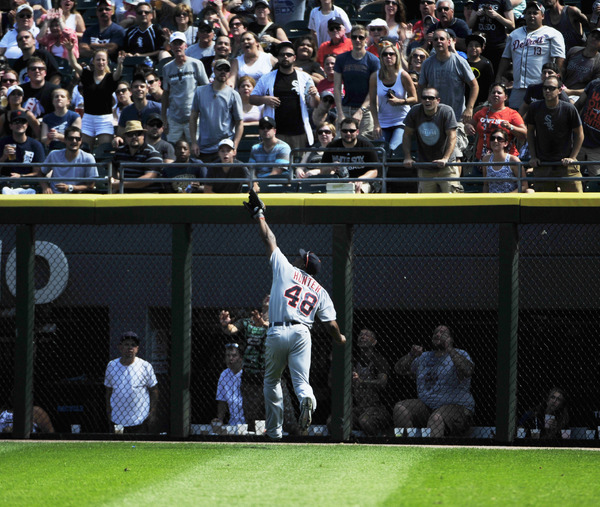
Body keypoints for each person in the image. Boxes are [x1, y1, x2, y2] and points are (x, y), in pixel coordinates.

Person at [244, 190, 346, 439]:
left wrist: (259, 215)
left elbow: (269, 238)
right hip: (303, 332)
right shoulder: (320, 290)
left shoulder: (287, 270)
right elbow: (331, 324)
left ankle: (276, 432)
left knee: (272, 381)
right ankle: (307, 399)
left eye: (301, 258)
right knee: (301, 382)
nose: (297, 258)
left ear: (303, 264)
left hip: (277, 330)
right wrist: (340, 338)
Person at [393, 325, 475, 437]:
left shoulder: (460, 353)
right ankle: (408, 445)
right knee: (400, 409)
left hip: (456, 407)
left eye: (443, 333)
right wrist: (411, 355)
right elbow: (399, 369)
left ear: (451, 338)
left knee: (436, 418)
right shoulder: (424, 356)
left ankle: (432, 450)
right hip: (427, 407)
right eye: (436, 332)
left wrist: (449, 348)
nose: (438, 334)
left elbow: (468, 370)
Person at [496, 1, 565, 109]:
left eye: (535, 13)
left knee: (538, 116)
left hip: (540, 85)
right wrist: (498, 77)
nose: (531, 16)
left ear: (542, 16)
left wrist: (554, 80)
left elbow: (560, 58)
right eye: (529, 13)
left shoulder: (552, 33)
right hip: (518, 86)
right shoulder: (515, 34)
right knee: (516, 115)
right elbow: (505, 57)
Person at [250, 41, 318, 149]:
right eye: (282, 55)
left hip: (298, 132)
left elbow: (314, 104)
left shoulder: (305, 78)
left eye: (289, 55)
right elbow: (252, 98)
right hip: (276, 133)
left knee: (297, 164)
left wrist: (314, 96)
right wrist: (265, 99)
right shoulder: (266, 78)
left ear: (294, 58)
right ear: (278, 58)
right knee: (277, 165)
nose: (285, 57)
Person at [527, 74, 584, 192]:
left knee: (576, 202)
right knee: (544, 206)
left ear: (559, 90)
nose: (547, 90)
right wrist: (533, 156)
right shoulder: (534, 107)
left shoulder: (569, 108)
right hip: (543, 164)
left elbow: (579, 134)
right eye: (545, 88)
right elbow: (530, 132)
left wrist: (572, 157)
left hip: (566, 164)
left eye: (551, 88)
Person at [64, 41, 124, 149]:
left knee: (104, 149)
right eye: (98, 59)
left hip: (105, 119)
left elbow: (118, 74)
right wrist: (69, 50)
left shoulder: (110, 77)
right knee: (85, 149)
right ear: (93, 61)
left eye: (103, 60)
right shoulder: (87, 75)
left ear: (107, 62)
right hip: (88, 118)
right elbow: (74, 64)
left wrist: (120, 63)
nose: (100, 62)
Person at [403, 87, 462, 193]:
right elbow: (407, 134)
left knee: (453, 200)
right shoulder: (415, 111)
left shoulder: (446, 111)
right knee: (425, 204)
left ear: (438, 100)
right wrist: (407, 157)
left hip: (447, 167)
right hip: (425, 167)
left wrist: (445, 158)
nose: (427, 101)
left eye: (431, 98)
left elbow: (452, 136)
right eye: (424, 98)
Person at [419, 28, 479, 131]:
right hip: (433, 117)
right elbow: (421, 87)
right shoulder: (427, 63)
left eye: (442, 39)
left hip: (456, 118)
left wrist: (469, 108)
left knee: (453, 147)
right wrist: (423, 106)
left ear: (449, 42)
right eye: (436, 39)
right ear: (432, 43)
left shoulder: (460, 61)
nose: (439, 41)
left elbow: (474, 85)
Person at [189, 58, 243, 163]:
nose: (223, 72)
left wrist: (234, 146)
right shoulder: (200, 91)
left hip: (224, 148)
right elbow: (193, 118)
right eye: (220, 69)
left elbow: (239, 122)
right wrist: (194, 142)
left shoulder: (233, 94)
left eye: (226, 69)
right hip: (204, 148)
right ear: (214, 70)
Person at [104, 331, 159, 434]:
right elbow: (108, 390)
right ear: (120, 347)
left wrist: (152, 412)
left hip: (139, 419)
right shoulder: (112, 365)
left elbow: (154, 390)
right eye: (126, 344)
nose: (130, 348)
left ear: (137, 349)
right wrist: (108, 411)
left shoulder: (145, 366)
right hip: (117, 419)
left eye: (133, 345)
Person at [334, 24, 380, 139]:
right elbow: (337, 87)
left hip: (366, 108)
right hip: (346, 107)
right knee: (340, 140)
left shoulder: (373, 60)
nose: (357, 40)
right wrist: (340, 113)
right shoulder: (341, 59)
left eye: (361, 37)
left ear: (366, 39)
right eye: (354, 37)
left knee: (365, 141)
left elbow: (373, 90)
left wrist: (361, 110)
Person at [161, 31, 209, 144]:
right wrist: (164, 118)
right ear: (171, 47)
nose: (178, 46)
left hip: (193, 117)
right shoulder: (166, 68)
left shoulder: (196, 64)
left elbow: (206, 89)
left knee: (195, 149)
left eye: (180, 43)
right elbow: (165, 93)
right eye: (175, 44)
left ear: (185, 46)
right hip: (174, 118)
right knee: (173, 150)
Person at [369, 43, 417, 152]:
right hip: (383, 121)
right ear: (381, 58)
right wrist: (376, 123)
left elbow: (415, 98)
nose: (388, 57)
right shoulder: (374, 77)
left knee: (393, 149)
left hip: (401, 121)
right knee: (380, 151)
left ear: (397, 56)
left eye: (391, 54)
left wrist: (400, 101)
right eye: (385, 54)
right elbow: (372, 102)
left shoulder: (403, 75)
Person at [465, 82, 526, 163]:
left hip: (506, 160)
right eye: (493, 93)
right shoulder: (481, 112)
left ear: (505, 97)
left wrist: (510, 127)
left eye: (499, 93)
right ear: (489, 97)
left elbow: (525, 134)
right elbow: (468, 125)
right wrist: (467, 126)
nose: (495, 95)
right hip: (482, 159)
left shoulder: (512, 114)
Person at [320, 117, 380, 193]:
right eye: (345, 131)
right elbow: (322, 171)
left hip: (362, 182)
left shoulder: (366, 146)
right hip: (338, 183)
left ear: (357, 132)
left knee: (356, 190)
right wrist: (330, 167)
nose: (348, 133)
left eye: (352, 131)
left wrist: (361, 179)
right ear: (340, 132)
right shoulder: (332, 146)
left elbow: (374, 171)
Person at [351, 329, 391, 436]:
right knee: (334, 421)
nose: (363, 336)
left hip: (377, 407)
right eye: (361, 334)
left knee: (365, 421)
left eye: (367, 335)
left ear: (374, 342)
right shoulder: (353, 361)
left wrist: (362, 381)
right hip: (358, 407)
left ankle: (376, 443)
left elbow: (382, 382)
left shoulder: (379, 360)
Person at [40, 126, 98, 194]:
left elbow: (91, 186)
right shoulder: (53, 154)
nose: (74, 141)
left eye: (77, 139)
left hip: (76, 198)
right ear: (65, 140)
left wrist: (70, 188)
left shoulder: (88, 158)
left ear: (81, 141)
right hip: (54, 196)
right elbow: (41, 173)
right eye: (70, 138)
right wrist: (45, 187)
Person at [0, 110, 45, 195]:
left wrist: (21, 176)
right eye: (16, 122)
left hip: (28, 185)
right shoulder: (2, 143)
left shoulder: (35, 145)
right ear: (10, 126)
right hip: (5, 184)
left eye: (23, 122)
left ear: (27, 125)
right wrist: (3, 157)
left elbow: (38, 172)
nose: (19, 124)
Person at [112, 119, 162, 192]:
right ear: (125, 137)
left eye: (138, 133)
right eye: (130, 134)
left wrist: (121, 184)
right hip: (124, 195)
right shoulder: (119, 152)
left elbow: (149, 179)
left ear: (143, 136)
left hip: (147, 196)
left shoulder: (152, 153)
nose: (134, 137)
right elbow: (113, 166)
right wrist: (113, 178)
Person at [467, 0, 515, 69]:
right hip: (481, 46)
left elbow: (512, 25)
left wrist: (496, 16)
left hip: (497, 44)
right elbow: (470, 25)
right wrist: (477, 14)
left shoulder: (504, 1)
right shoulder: (478, 1)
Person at [482, 128, 530, 192]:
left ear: (506, 143)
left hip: (510, 199)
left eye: (499, 139)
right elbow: (486, 185)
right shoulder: (486, 159)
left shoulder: (513, 160)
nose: (495, 141)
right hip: (492, 199)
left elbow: (524, 185)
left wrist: (507, 197)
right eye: (492, 138)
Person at [116, 74, 161, 139]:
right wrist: (118, 138)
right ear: (131, 90)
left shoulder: (158, 108)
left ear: (147, 89)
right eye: (136, 87)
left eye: (142, 86)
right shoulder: (126, 111)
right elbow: (120, 134)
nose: (139, 89)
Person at [213, 343, 246, 426]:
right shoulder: (224, 374)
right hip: (232, 423)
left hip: (248, 423)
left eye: (234, 355)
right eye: (228, 355)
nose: (230, 358)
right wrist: (220, 419)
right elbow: (222, 401)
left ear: (241, 358)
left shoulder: (247, 373)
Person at [563, 29, 600, 99]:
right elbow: (562, 69)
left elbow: (593, 87)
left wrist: (570, 92)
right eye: (592, 36)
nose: (594, 39)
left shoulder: (598, 61)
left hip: (580, 96)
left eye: (598, 38)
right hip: (563, 89)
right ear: (588, 37)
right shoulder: (573, 51)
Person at [575, 77, 600, 179]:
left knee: (596, 182)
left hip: (597, 148)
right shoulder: (595, 84)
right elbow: (578, 105)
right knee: (573, 179)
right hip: (579, 142)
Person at [465, 33, 495, 108]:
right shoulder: (464, 63)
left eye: (477, 46)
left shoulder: (486, 64)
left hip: (482, 101)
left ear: (482, 48)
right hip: (465, 99)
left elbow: (490, 83)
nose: (473, 48)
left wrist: (488, 100)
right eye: (470, 45)